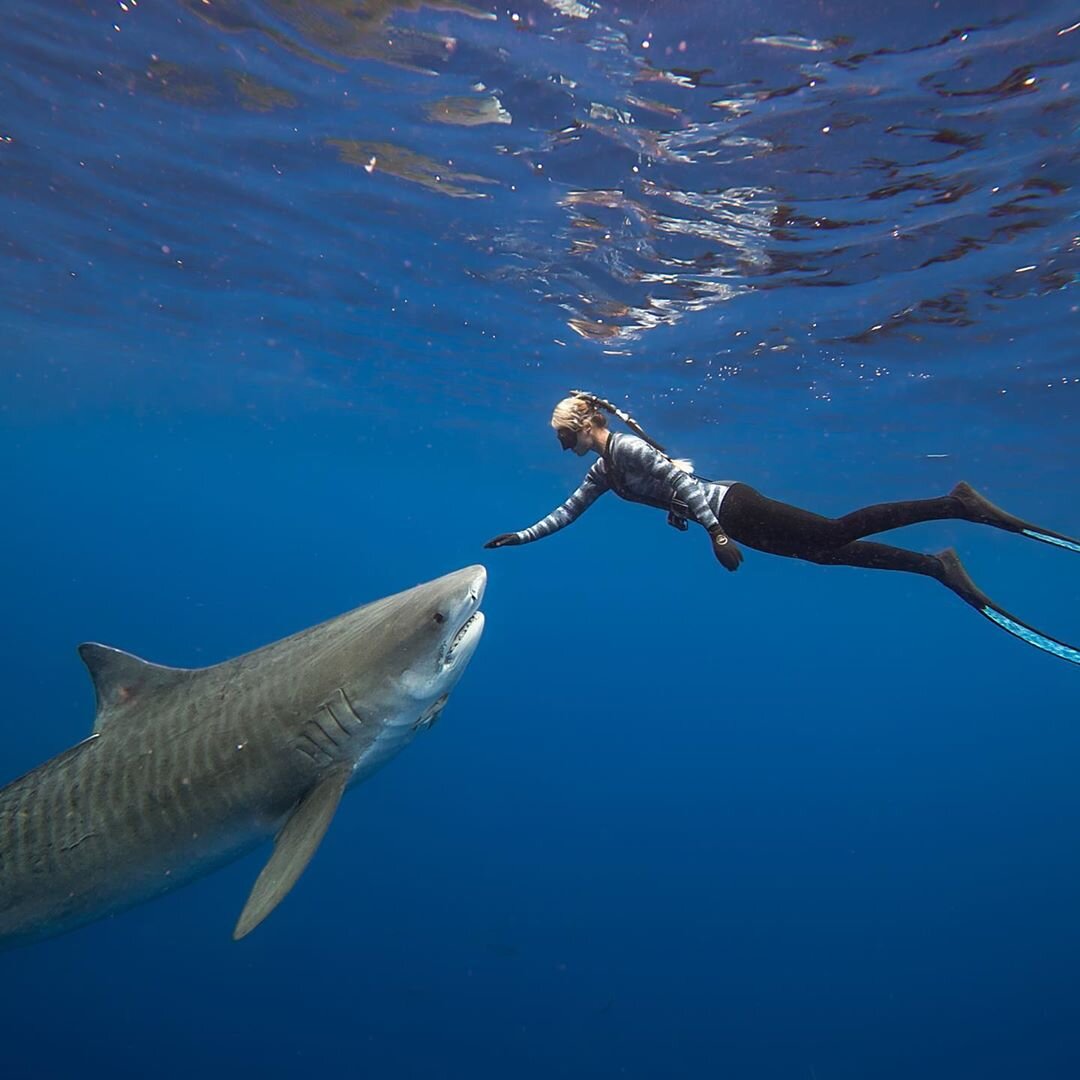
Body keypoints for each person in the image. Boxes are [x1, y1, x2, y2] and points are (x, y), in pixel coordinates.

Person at [484, 390, 1080, 666]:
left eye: (563, 434)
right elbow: (568, 512)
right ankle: (936, 566)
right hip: (728, 518)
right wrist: (521, 536)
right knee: (825, 554)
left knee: (833, 532)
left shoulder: (630, 449)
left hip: (735, 508)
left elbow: (687, 487)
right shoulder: (604, 469)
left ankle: (955, 504)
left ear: (583, 423)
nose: (560, 443)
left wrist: (718, 535)